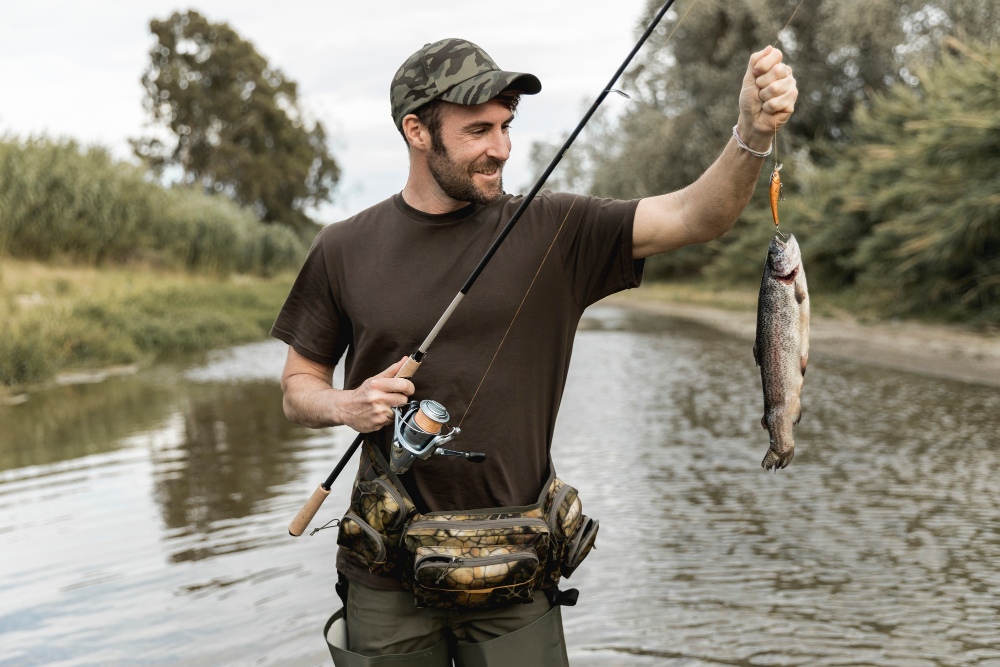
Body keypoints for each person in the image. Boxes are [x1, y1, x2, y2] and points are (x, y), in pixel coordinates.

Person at [272, 37, 797, 666]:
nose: (501, 147)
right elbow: (297, 386)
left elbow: (694, 215)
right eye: (477, 130)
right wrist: (344, 405)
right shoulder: (343, 248)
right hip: (386, 576)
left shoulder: (557, 230)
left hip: (518, 574)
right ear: (416, 130)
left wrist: (751, 131)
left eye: (506, 125)